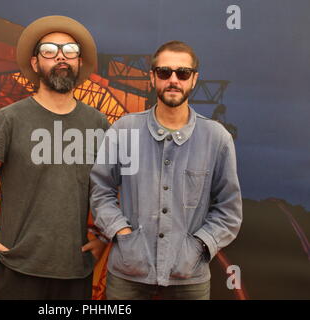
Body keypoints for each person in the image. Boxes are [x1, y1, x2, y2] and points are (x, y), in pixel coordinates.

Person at [0, 15, 110, 300]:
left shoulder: (97, 123)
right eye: (49, 50)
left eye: (70, 51)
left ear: (79, 63)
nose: (61, 57)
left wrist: (103, 239)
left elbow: (108, 189)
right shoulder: (9, 118)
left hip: (74, 272)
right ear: (35, 63)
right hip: (13, 266)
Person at [90, 40, 242, 300]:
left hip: (189, 277)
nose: (173, 80)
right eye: (164, 72)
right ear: (152, 77)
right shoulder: (124, 131)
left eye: (182, 73)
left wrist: (199, 245)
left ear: (194, 79)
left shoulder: (216, 138)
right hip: (128, 274)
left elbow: (229, 210)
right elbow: (100, 190)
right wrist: (122, 233)